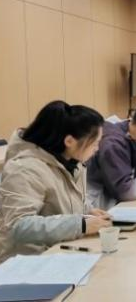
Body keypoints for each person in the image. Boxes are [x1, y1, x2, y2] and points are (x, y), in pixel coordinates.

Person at [0, 101, 112, 262]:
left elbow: (60, 202)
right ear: (69, 141)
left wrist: (87, 211)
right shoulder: (24, 169)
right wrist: (80, 224)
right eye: (94, 143)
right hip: (26, 262)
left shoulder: (71, 162)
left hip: (59, 251)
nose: (97, 148)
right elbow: (19, 226)